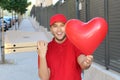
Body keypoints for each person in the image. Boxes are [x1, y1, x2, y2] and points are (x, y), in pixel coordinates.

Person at [37, 14, 93, 80]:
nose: (59, 30)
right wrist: (42, 56)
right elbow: (44, 78)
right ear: (51, 29)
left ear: (67, 27)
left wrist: (86, 63)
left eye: (62, 25)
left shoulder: (75, 44)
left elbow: (82, 62)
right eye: (55, 26)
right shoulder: (45, 48)